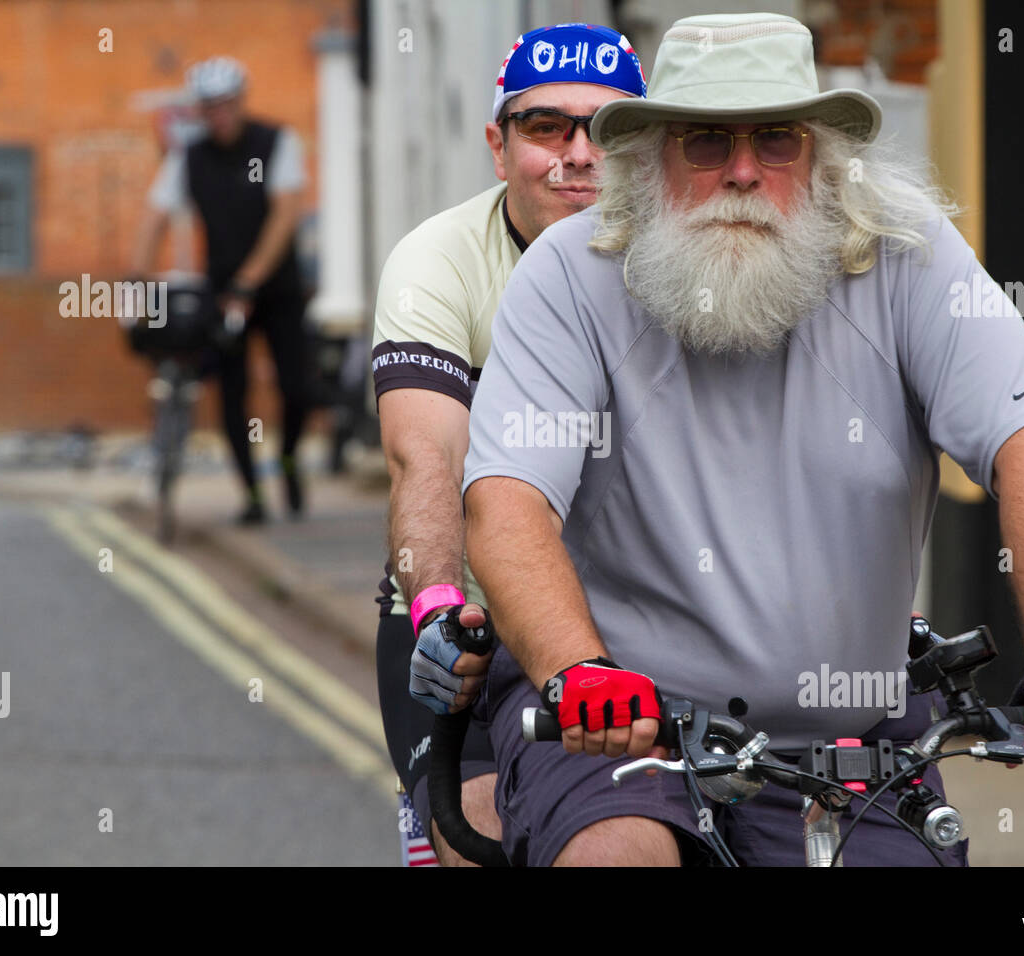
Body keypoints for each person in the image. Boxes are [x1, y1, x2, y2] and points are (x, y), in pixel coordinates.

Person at [462, 12, 1024, 866]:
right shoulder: (568, 272)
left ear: (820, 155)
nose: (743, 170)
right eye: (707, 143)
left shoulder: (910, 256)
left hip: (855, 728)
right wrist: (578, 670)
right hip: (615, 725)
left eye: (776, 139)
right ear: (654, 156)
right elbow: (507, 502)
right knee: (617, 856)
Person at [370, 23, 647, 866]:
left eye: (609, 128)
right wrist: (440, 614)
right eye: (545, 127)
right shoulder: (438, 260)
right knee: (478, 833)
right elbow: (428, 459)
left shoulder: (690, 261)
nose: (579, 153)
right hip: (476, 615)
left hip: (638, 616)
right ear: (499, 146)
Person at [133, 57, 311, 524]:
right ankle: (252, 494)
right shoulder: (189, 156)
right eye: (210, 108)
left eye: (227, 105)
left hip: (276, 287)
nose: (220, 116)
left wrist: (248, 282)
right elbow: (155, 216)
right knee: (232, 394)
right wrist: (136, 277)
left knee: (298, 388)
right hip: (220, 289)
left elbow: (284, 214)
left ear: (240, 101)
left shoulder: (276, 143)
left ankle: (289, 460)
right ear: (200, 111)